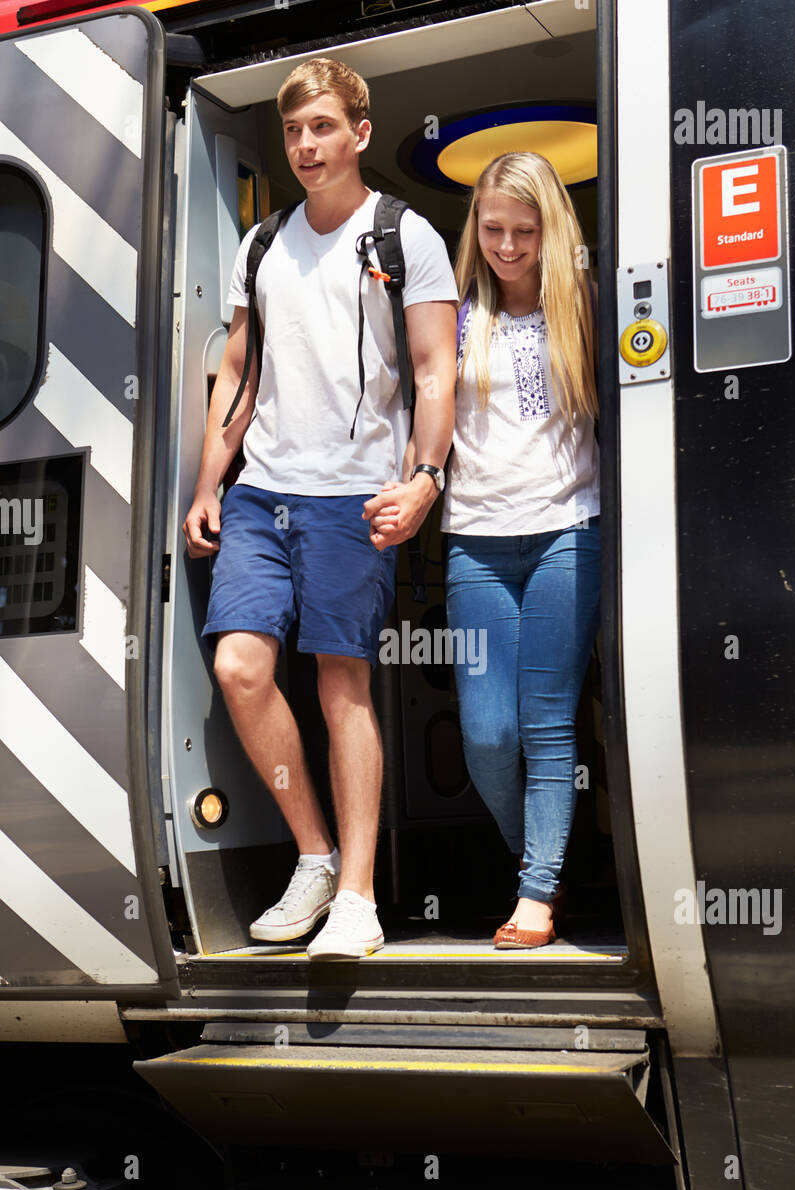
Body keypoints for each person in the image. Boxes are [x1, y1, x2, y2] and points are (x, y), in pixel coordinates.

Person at [183, 57, 457, 960]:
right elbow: (238, 371)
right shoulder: (261, 245)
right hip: (263, 492)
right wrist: (208, 484)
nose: (306, 146)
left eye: (324, 128)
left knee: (343, 689)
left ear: (360, 133)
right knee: (241, 670)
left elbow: (433, 371)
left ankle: (357, 899)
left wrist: (422, 480)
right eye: (295, 131)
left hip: (354, 496)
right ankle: (312, 853)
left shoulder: (403, 234)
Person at [375, 151, 600, 948]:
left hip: (566, 532)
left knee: (544, 725)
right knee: (486, 736)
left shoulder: (586, 307)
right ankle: (536, 858)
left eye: (525, 231)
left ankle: (536, 892)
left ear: (551, 231)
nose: (508, 245)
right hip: (475, 543)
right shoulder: (454, 313)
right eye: (494, 227)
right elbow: (415, 414)